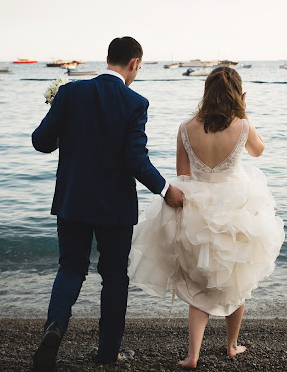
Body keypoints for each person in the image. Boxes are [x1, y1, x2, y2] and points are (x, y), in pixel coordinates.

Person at [31, 36, 184, 371]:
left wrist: (63, 122)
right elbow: (135, 160)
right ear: (133, 64)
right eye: (138, 68)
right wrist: (165, 189)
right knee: (114, 276)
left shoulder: (70, 93)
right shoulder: (135, 102)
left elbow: (40, 141)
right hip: (114, 207)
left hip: (72, 200)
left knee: (71, 267)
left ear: (107, 58)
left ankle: (55, 327)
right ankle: (108, 352)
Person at [128, 66, 284, 368]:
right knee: (237, 277)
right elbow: (259, 151)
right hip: (237, 208)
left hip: (197, 209)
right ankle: (232, 345)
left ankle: (193, 355)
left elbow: (183, 175)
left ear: (206, 92)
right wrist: (245, 112)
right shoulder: (242, 125)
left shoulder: (186, 127)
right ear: (237, 94)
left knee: (197, 283)